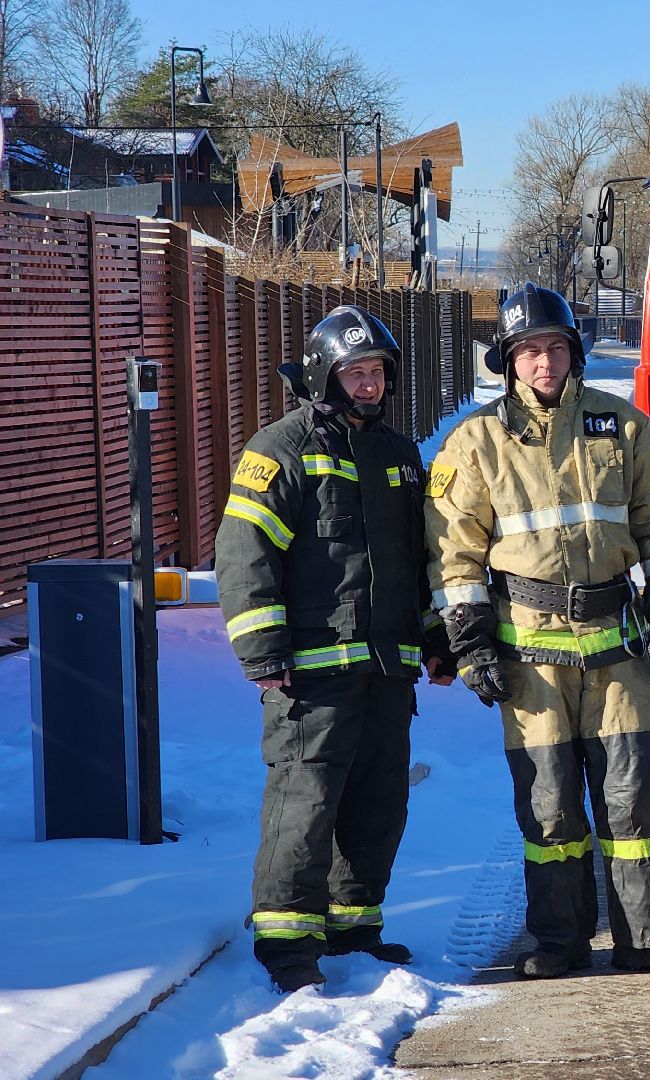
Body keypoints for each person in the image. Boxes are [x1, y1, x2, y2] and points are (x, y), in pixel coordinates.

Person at [425, 283, 650, 979]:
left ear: (574, 353)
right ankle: (560, 942)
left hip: (619, 649)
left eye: (555, 347)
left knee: (641, 797)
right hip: (530, 658)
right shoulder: (475, 442)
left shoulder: (622, 426)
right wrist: (469, 639)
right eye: (529, 350)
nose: (544, 362)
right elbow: (451, 550)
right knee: (549, 808)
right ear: (508, 361)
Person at [216, 305, 455, 993]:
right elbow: (243, 552)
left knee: (378, 808)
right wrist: (263, 649)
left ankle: (354, 930)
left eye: (377, 371)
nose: (369, 384)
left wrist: (435, 637)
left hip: (387, 672)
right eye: (355, 373)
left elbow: (418, 562)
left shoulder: (400, 456)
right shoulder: (280, 449)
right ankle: (288, 945)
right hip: (310, 677)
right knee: (304, 806)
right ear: (325, 375)